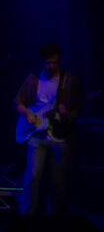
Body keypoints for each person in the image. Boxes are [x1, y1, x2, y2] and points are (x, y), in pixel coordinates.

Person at [15, 43, 82, 216]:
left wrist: (66, 114)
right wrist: (27, 114)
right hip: (36, 135)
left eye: (54, 63)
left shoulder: (68, 80)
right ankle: (26, 219)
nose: (51, 66)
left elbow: (77, 111)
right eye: (48, 63)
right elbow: (18, 102)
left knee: (59, 183)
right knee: (32, 178)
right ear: (42, 61)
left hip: (59, 137)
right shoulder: (33, 78)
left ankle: (55, 221)